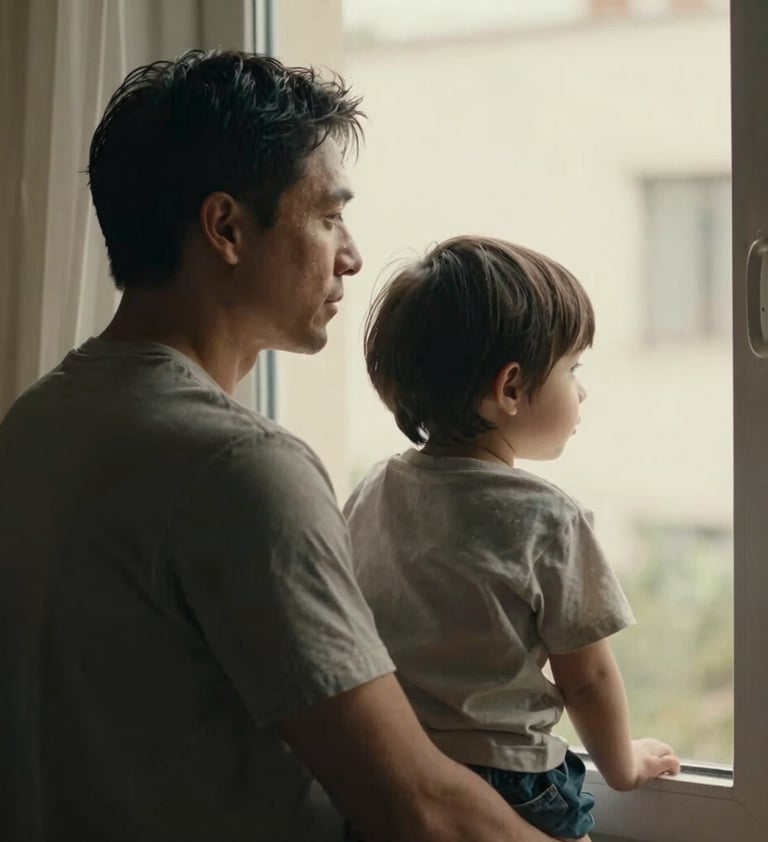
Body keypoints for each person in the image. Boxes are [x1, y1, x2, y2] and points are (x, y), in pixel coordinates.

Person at [0, 50, 558, 842]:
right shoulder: (236, 467)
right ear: (226, 227)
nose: (353, 255)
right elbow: (419, 807)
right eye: (328, 216)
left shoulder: (36, 424)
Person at [344, 236, 682, 841]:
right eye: (572, 368)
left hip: (391, 770)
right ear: (510, 389)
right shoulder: (547, 518)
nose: (582, 391)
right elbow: (588, 678)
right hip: (509, 781)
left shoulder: (376, 488)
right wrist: (624, 766)